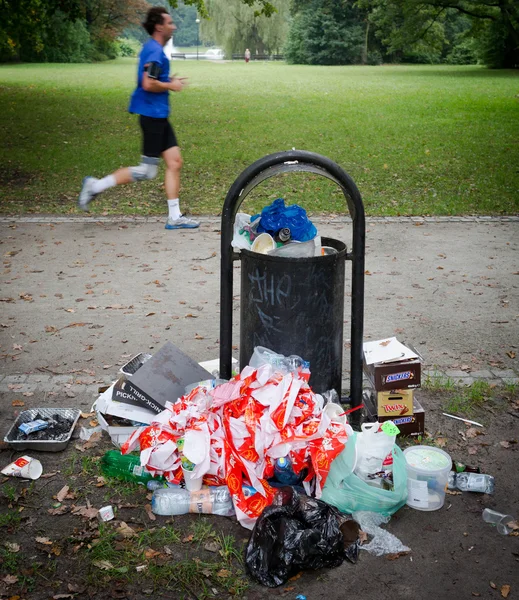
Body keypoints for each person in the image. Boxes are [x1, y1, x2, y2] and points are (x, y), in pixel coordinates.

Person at [78, 6, 199, 230]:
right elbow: (147, 83)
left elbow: (153, 78)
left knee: (175, 162)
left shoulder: (155, 50)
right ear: (159, 26)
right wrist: (170, 84)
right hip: (152, 116)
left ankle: (174, 217)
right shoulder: (154, 51)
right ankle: (95, 186)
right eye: (170, 23)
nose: (174, 26)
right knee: (147, 171)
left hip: (159, 116)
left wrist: (167, 80)